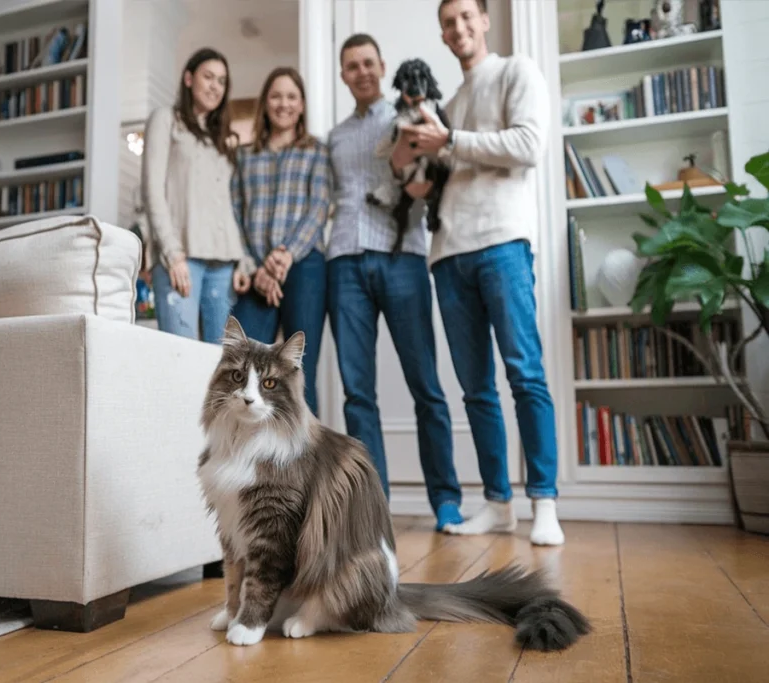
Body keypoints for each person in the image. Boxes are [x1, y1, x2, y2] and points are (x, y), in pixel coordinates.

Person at [390, 0, 563, 545]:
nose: (458, 27)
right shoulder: (448, 102)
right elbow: (430, 185)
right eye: (448, 22)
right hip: (447, 255)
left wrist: (452, 141)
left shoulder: (517, 71)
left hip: (503, 243)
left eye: (467, 16)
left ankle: (545, 503)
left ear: (484, 20)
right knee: (476, 390)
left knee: (525, 374)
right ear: (442, 35)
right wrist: (410, 165)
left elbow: (528, 146)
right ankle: (498, 503)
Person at [326, 33, 463, 531]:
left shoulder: (411, 113)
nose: (361, 72)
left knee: (426, 384)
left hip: (402, 257)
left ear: (382, 66)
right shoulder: (335, 137)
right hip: (344, 262)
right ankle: (373, 508)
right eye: (351, 66)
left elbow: (437, 173)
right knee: (358, 394)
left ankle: (447, 501)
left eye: (368, 62)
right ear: (343, 75)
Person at [230, 66, 332, 416]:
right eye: (276, 96)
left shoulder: (316, 151)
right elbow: (236, 214)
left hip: (305, 267)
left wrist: (285, 257)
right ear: (264, 103)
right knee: (242, 365)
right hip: (257, 272)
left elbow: (318, 208)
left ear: (301, 105)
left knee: (298, 371)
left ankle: (305, 466)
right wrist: (256, 268)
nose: (283, 104)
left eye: (291, 96)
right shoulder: (243, 156)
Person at [141, 47, 250, 343]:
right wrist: (172, 254)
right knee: (181, 357)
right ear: (189, 78)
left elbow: (229, 205)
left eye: (222, 81)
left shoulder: (223, 140)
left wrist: (241, 260)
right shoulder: (166, 120)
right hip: (182, 257)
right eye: (208, 77)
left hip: (224, 262)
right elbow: (152, 190)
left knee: (221, 368)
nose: (215, 86)